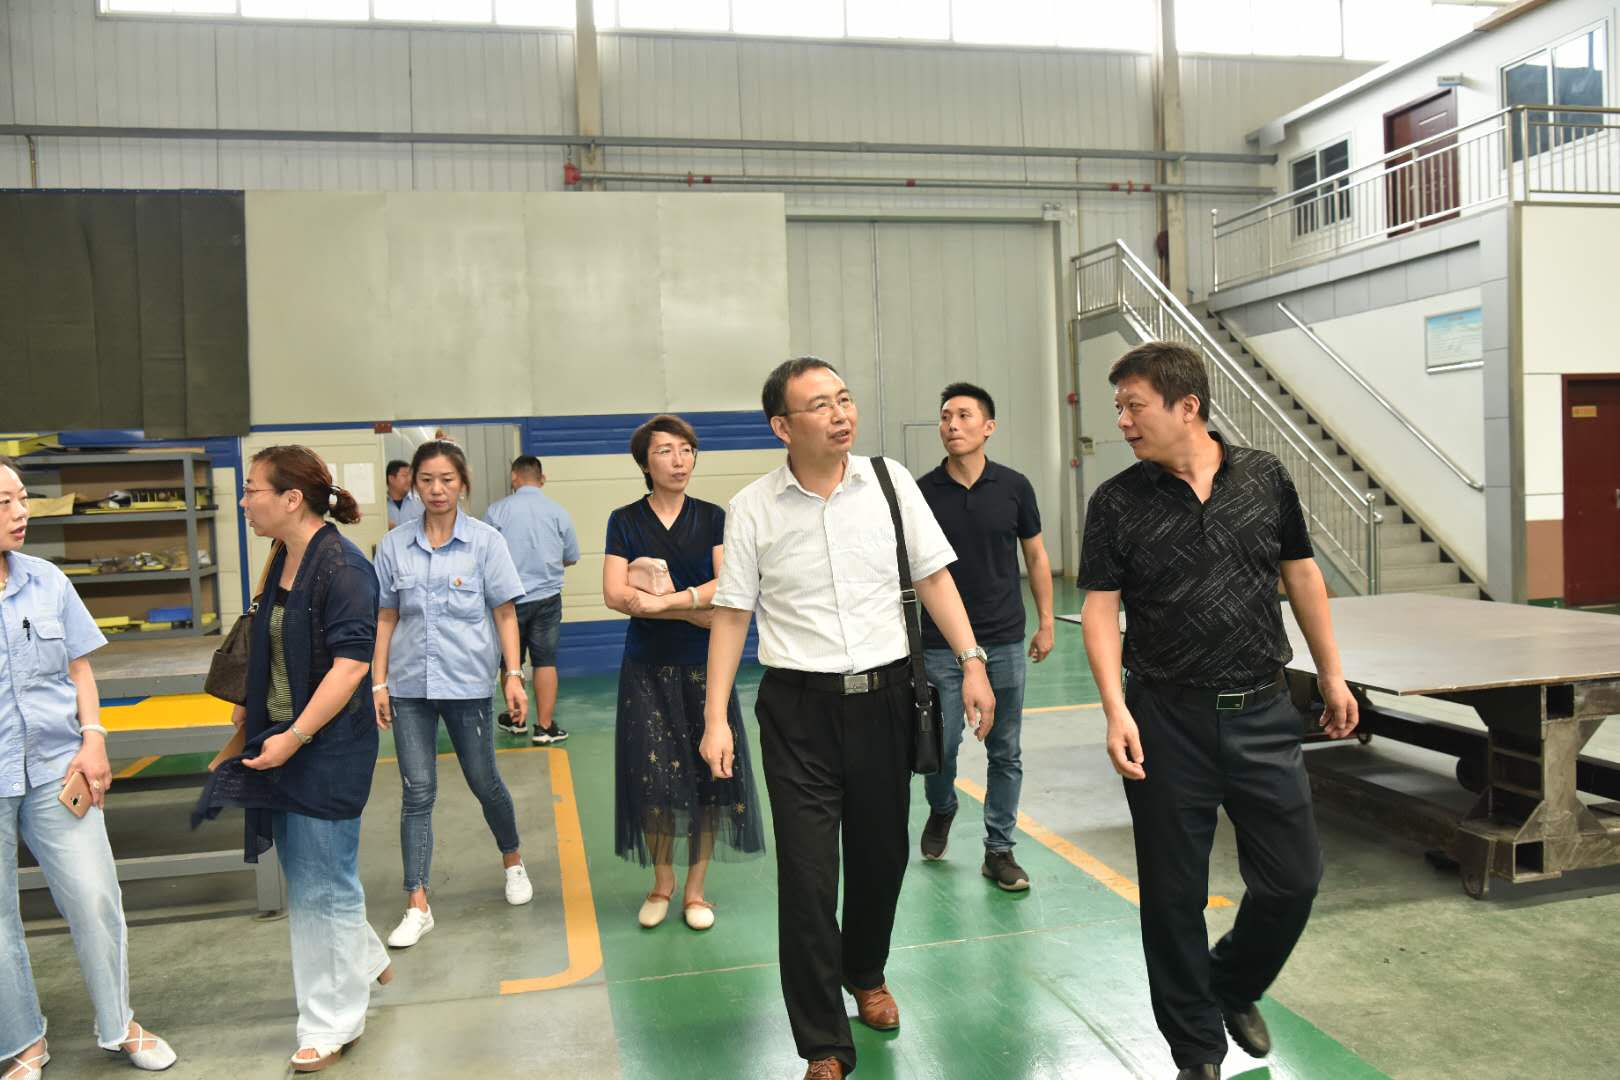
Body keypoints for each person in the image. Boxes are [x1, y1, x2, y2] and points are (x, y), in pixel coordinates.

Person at [700, 358, 997, 1080]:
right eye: (820, 405)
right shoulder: (753, 508)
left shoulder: (890, 484)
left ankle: (865, 972)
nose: (840, 414)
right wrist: (715, 718)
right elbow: (732, 613)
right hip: (797, 710)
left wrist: (972, 660)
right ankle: (824, 1043)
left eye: (844, 399)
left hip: (886, 701)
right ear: (782, 426)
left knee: (879, 858)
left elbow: (932, 576)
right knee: (807, 877)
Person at [1077, 342, 1359, 1080]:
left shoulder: (1265, 477)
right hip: (1166, 718)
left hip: (1263, 710)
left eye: (1134, 406)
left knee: (1294, 879)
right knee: (1174, 897)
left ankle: (1231, 983)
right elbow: (1101, 611)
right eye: (1119, 407)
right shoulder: (1116, 501)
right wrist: (1114, 709)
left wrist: (1332, 675)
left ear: (1187, 406)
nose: (1122, 421)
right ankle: (1195, 1052)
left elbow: (1301, 574)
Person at [194, 445, 389, 1072]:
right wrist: (252, 708)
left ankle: (332, 1023)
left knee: (319, 887)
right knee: (314, 873)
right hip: (281, 736)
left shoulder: (345, 570)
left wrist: (295, 735)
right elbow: (275, 642)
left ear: (291, 499)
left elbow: (351, 667)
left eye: (252, 489)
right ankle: (366, 957)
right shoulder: (282, 555)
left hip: (324, 747)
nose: (243, 501)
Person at [1, 457, 177, 1079]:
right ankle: (23, 1040)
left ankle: (118, 1023)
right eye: (4, 503)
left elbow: (80, 667)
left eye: (22, 498)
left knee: (96, 896)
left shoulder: (46, 580)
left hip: (57, 764)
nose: (21, 513)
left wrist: (94, 737)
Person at [601, 415, 764, 932]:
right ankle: (662, 882)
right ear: (644, 463)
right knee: (651, 780)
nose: (679, 460)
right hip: (645, 668)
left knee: (708, 778)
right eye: (666, 451)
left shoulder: (713, 517)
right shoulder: (624, 520)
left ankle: (695, 890)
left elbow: (727, 585)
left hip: (705, 667)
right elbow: (614, 594)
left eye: (687, 450)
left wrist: (662, 602)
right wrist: (691, 611)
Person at [372, 440, 533, 950]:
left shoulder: (486, 542)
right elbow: (385, 617)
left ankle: (513, 860)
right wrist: (378, 681)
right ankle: (417, 903)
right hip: (409, 687)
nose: (436, 489)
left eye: (446, 479)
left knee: (485, 781)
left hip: (467, 685)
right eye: (426, 480)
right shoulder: (394, 545)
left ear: (463, 483)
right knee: (417, 792)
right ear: (413, 485)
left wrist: (513, 675)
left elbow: (505, 613)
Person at [915, 382, 1055, 892]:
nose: (951, 425)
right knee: (941, 746)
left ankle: (999, 850)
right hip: (941, 644)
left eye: (963, 415)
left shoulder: (1014, 487)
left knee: (1005, 750)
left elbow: (1035, 555)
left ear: (988, 427)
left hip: (1004, 639)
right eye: (945, 416)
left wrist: (1045, 621)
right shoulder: (922, 492)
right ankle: (943, 806)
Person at [485, 455, 579, 744]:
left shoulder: (496, 512)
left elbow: (484, 558)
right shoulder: (559, 512)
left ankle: (517, 720)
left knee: (509, 663)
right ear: (542, 479)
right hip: (547, 598)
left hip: (507, 602)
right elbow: (571, 556)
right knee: (545, 661)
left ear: (514, 477)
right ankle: (545, 727)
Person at [385, 460, 422, 530]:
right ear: (391, 479)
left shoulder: (420, 503)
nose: (410, 479)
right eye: (405, 476)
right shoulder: (380, 506)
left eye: (411, 476)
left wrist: (394, 528)